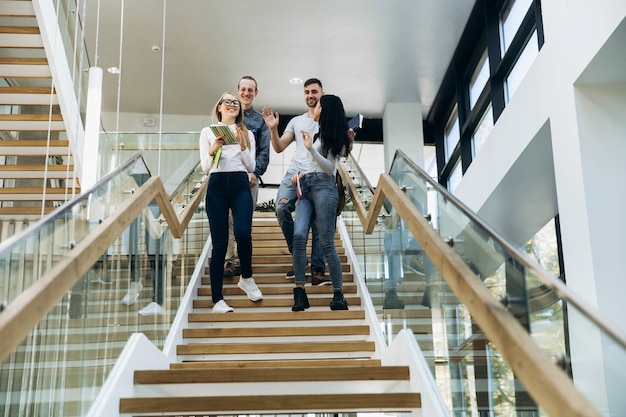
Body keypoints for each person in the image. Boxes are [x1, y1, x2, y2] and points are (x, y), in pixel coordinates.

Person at [286, 94, 352, 311]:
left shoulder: (334, 135)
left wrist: (310, 149)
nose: (314, 107)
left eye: (319, 105)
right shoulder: (316, 132)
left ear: (326, 110)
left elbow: (330, 169)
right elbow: (313, 166)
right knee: (298, 236)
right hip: (307, 186)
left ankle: (338, 295)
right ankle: (299, 293)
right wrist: (301, 175)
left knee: (326, 242)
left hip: (325, 187)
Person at [199, 92, 263, 313]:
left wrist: (243, 144)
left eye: (235, 102)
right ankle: (217, 300)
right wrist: (213, 149)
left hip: (239, 183)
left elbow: (251, 166)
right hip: (216, 185)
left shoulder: (247, 132)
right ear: (219, 107)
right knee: (219, 243)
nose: (232, 104)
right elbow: (205, 168)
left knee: (243, 232)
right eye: (227, 101)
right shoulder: (208, 131)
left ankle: (246, 278)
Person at [262, 78, 328, 285]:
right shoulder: (296, 121)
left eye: (314, 92)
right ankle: (299, 256)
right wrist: (273, 128)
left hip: (318, 176)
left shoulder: (329, 120)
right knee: (281, 209)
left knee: (318, 222)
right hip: (294, 173)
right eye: (307, 92)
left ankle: (318, 268)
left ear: (322, 94)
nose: (310, 95)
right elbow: (279, 147)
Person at [223, 76, 271, 278]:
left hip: (249, 179)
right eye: (243, 89)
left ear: (255, 93)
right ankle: (228, 262)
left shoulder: (260, 121)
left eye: (250, 90)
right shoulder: (227, 117)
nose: (246, 93)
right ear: (237, 90)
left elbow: (264, 152)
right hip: (227, 178)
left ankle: (243, 262)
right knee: (226, 220)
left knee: (243, 222)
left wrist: (255, 173)